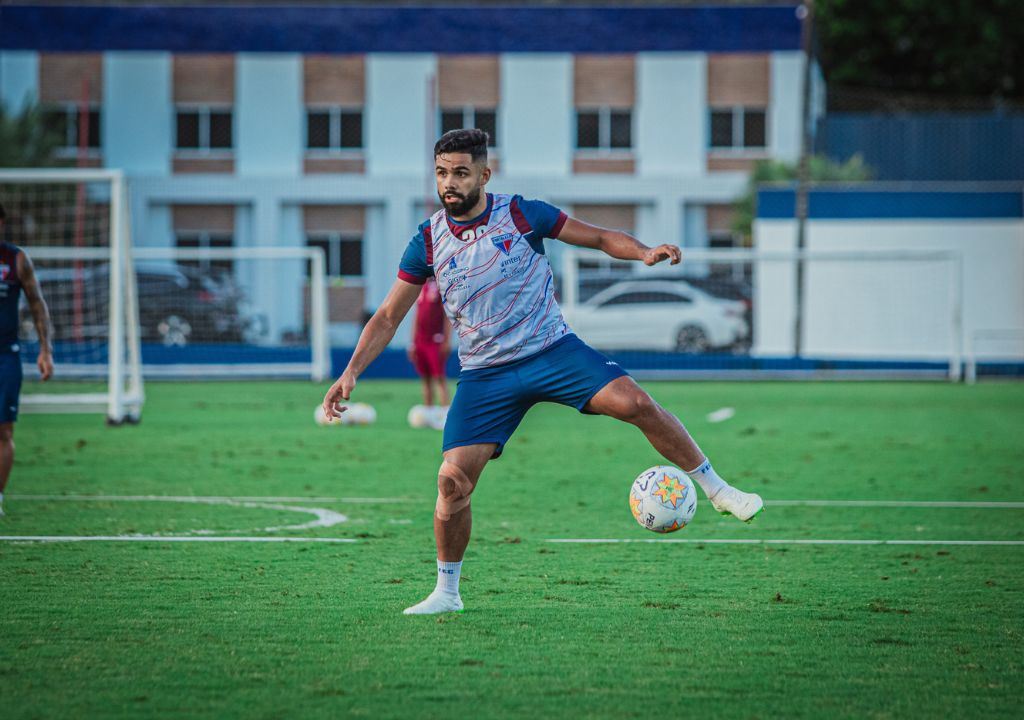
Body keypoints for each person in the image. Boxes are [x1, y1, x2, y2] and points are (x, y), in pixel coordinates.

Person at [321, 129, 763, 615]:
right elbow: (387, 317)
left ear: (484, 174)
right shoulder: (427, 241)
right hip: (485, 375)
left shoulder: (521, 213)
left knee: (637, 403)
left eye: (461, 173)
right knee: (452, 484)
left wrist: (641, 252)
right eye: (443, 173)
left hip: (551, 351)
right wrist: (350, 374)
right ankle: (447, 593)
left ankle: (718, 490)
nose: (450, 183)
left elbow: (596, 237)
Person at [0, 202, 55, 516]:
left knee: (4, 430)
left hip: (5, 356)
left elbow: (37, 303)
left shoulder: (16, 259)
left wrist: (45, 349)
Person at [406, 276, 450, 412]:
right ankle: (428, 411)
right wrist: (412, 343)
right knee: (425, 377)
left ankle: (444, 412)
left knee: (438, 376)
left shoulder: (440, 287)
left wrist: (447, 340)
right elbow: (417, 316)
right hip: (421, 340)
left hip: (435, 339)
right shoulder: (420, 288)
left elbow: (447, 315)